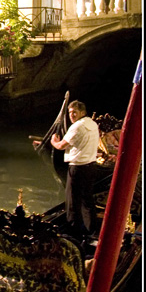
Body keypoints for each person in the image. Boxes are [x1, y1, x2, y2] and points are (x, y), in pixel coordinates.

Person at [50, 100, 100, 244]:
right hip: (91, 167)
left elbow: (60, 146)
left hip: (77, 168)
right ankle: (92, 231)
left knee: (72, 201)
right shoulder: (92, 124)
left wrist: (53, 140)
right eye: (70, 113)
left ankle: (74, 234)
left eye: (74, 113)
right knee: (87, 200)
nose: (71, 115)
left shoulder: (76, 127)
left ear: (82, 113)